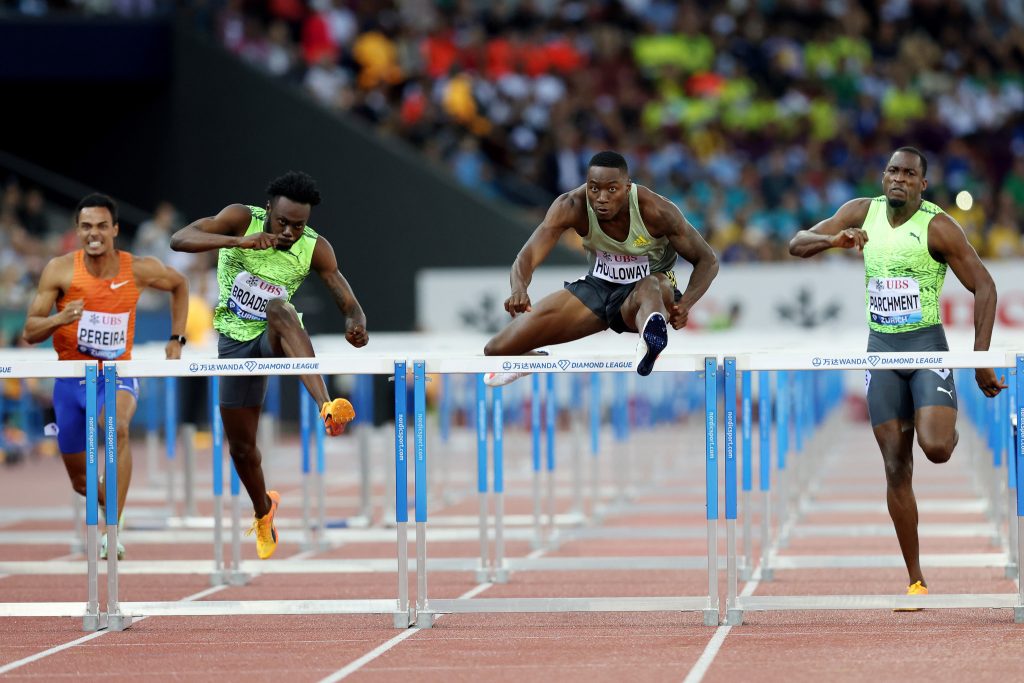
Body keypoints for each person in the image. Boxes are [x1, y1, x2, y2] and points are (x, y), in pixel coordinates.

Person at [789, 146, 1006, 605]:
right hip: (881, 349)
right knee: (894, 466)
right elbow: (797, 243)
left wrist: (979, 359)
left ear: (922, 184)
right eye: (892, 170)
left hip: (926, 347)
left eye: (909, 174)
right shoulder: (859, 212)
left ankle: (940, 413)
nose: (898, 179)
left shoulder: (938, 225)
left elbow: (984, 285)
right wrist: (835, 240)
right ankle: (915, 576)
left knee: (937, 449)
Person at [169, 170, 367, 560]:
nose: (290, 231)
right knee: (242, 450)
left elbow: (347, 299)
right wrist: (240, 241)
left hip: (273, 339)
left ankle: (326, 407)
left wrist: (355, 322)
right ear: (268, 210)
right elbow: (180, 239)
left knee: (281, 308)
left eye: (299, 224)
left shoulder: (315, 247)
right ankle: (263, 509)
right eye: (283, 222)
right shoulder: (242, 217)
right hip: (233, 345)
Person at [22, 193, 189, 560]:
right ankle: (109, 502)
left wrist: (177, 338)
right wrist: (59, 319)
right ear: (77, 230)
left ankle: (111, 527)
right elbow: (30, 331)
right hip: (70, 380)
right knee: (82, 482)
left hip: (116, 373)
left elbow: (179, 284)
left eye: (101, 226)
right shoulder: (61, 270)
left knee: (116, 424)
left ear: (114, 229)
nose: (93, 233)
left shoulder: (138, 268)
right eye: (85, 227)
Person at [483, 151, 718, 384]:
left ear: (627, 188)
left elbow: (708, 260)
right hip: (599, 287)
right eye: (594, 188)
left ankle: (649, 343)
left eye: (612, 189)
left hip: (646, 293)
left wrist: (684, 304)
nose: (601, 198)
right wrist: (519, 288)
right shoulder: (572, 205)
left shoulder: (657, 211)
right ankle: (532, 361)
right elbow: (528, 255)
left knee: (652, 284)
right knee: (496, 349)